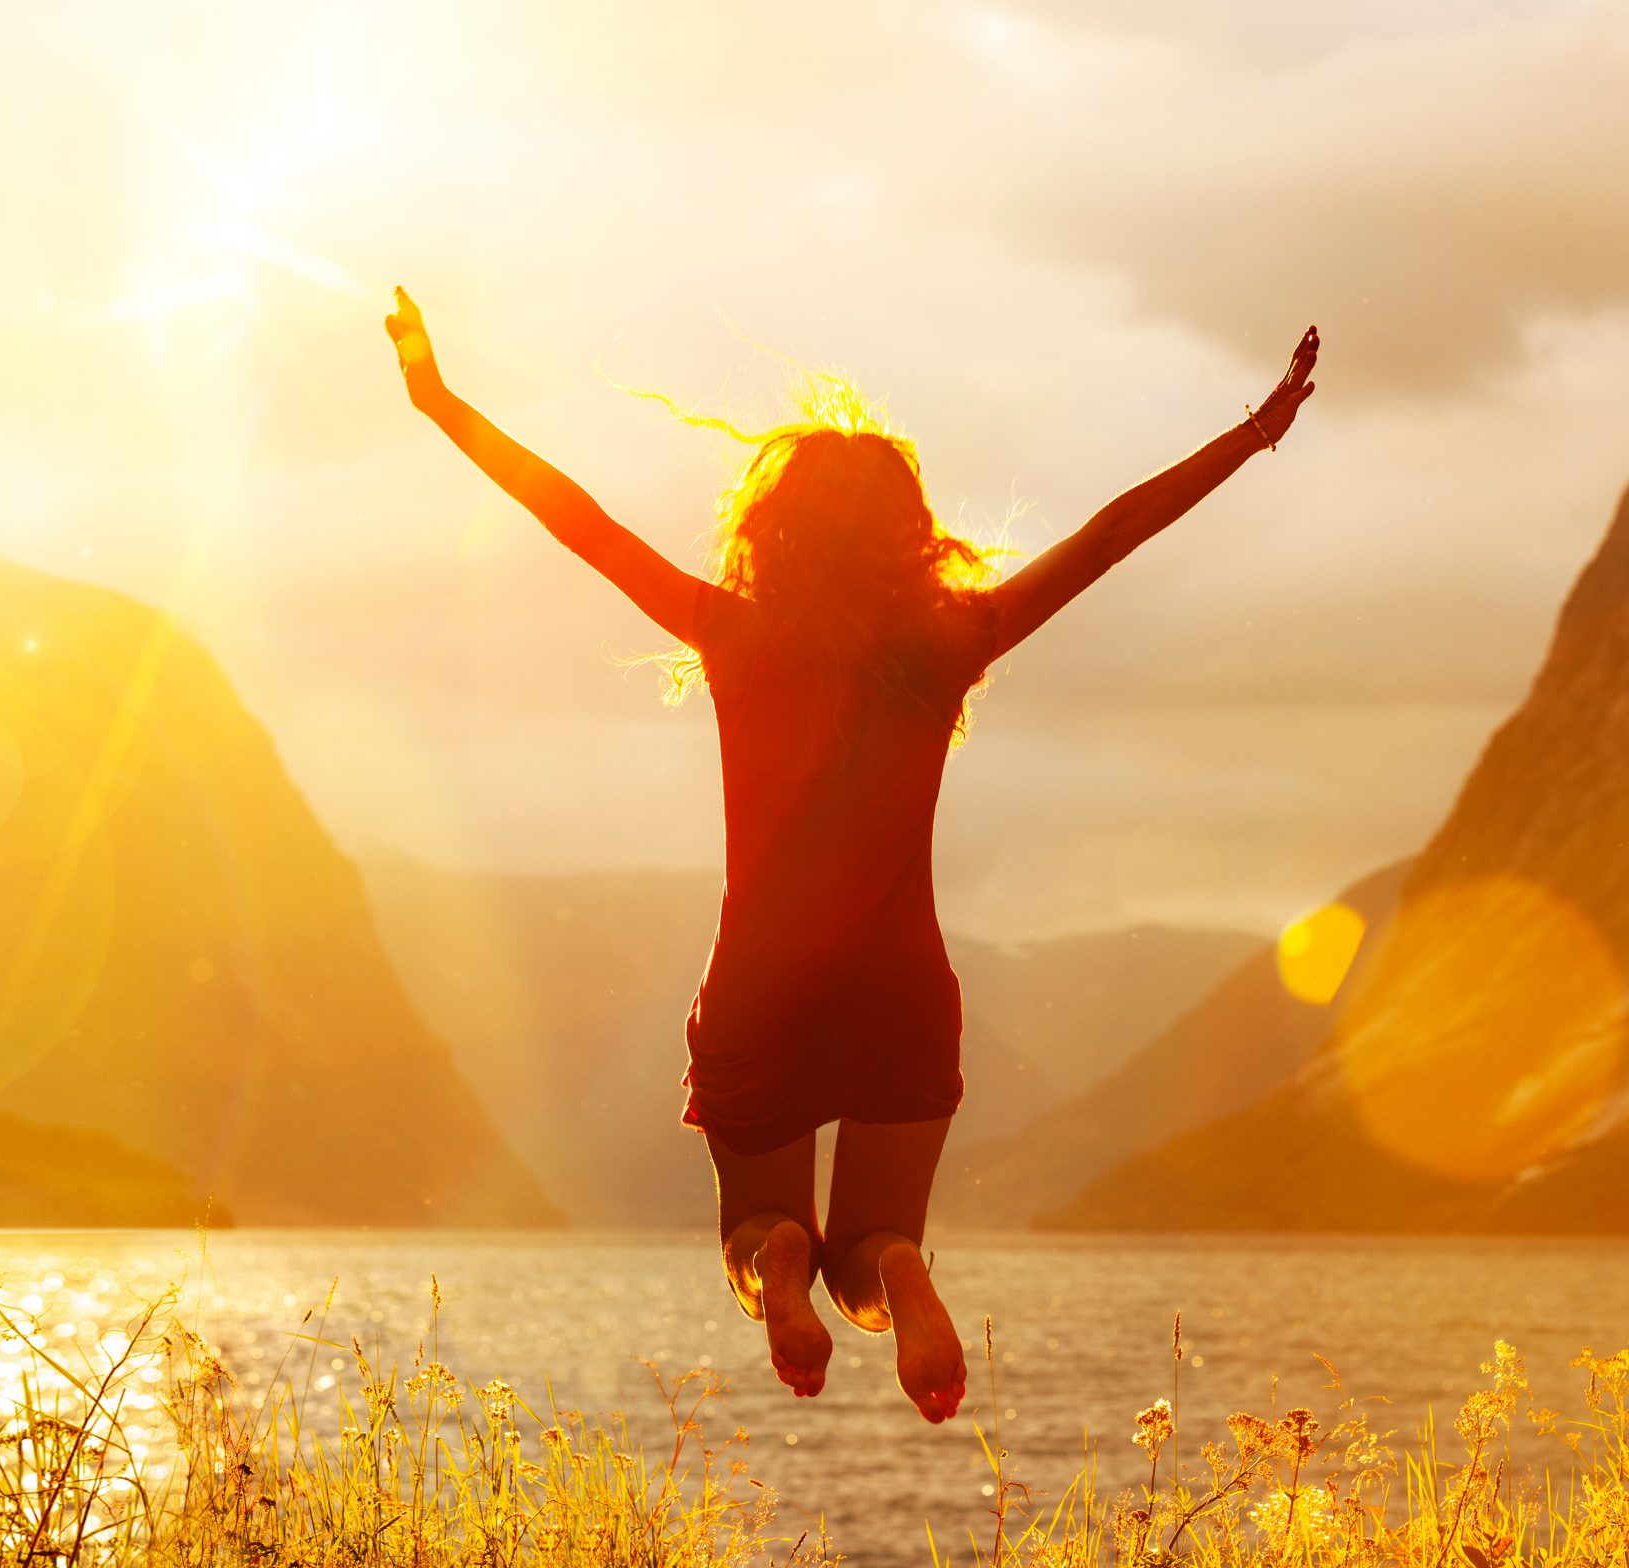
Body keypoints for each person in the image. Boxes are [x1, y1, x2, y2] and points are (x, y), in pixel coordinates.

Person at [385, 289, 1317, 1422]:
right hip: (900, 986)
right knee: (871, 1243)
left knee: (751, 1228)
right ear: (907, 530)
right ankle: (896, 1279)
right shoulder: (951, 641)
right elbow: (1109, 533)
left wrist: (439, 402)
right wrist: (1252, 433)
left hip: (758, 983)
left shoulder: (729, 631)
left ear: (770, 528)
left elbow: (572, 518)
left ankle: (776, 1256)